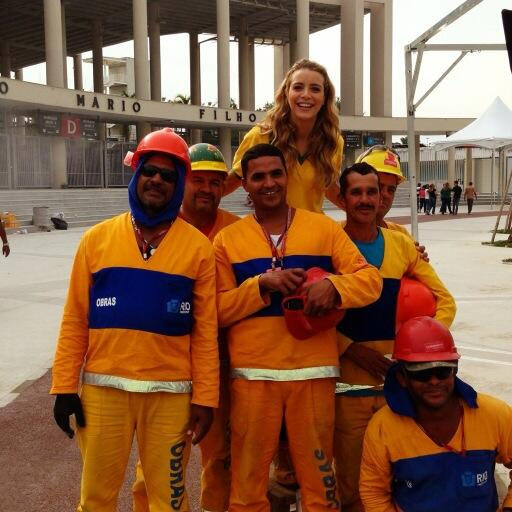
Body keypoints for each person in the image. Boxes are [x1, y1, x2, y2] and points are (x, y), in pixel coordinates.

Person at [50, 128, 219, 511]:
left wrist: (206, 398)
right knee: (95, 499)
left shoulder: (198, 249)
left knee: (170, 501)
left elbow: (205, 332)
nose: (157, 180)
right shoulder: (96, 240)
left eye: (168, 175)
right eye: (149, 171)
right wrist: (64, 387)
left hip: (171, 397)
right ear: (136, 174)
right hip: (103, 394)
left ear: (178, 186)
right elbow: (75, 319)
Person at [214, 143, 383, 512]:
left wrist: (335, 287)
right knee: (246, 492)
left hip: (313, 375)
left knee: (321, 490)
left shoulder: (322, 229)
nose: (269, 183)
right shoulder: (227, 241)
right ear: (245, 184)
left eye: (276, 174)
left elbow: (370, 280)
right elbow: (216, 310)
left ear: (287, 177)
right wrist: (260, 286)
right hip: (253, 378)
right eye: (258, 177)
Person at [334, 163, 456, 512]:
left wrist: (414, 352)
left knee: (399, 479)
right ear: (342, 199)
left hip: (396, 390)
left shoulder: (401, 245)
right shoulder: (329, 243)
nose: (366, 199)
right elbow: (314, 315)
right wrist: (350, 349)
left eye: (372, 192)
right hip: (346, 393)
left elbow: (444, 302)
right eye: (356, 192)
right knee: (352, 486)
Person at [131, 142, 239, 512]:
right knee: (156, 462)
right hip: (166, 362)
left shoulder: (238, 232)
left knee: (220, 457)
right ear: (182, 181)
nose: (207, 189)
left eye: (215, 182)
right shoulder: (155, 227)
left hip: (221, 362)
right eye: (198, 180)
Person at [360, 316, 512, 512]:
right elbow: (374, 491)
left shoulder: (494, 414)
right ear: (402, 378)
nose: (433, 381)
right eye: (422, 373)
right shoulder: (383, 428)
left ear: (455, 371)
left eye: (442, 371)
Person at [223, 59, 345, 212]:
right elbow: (229, 183)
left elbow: (329, 188)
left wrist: (366, 214)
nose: (306, 95)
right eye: (298, 87)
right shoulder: (262, 136)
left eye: (315, 89)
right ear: (287, 93)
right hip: (272, 234)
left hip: (314, 233)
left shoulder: (333, 142)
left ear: (325, 98)